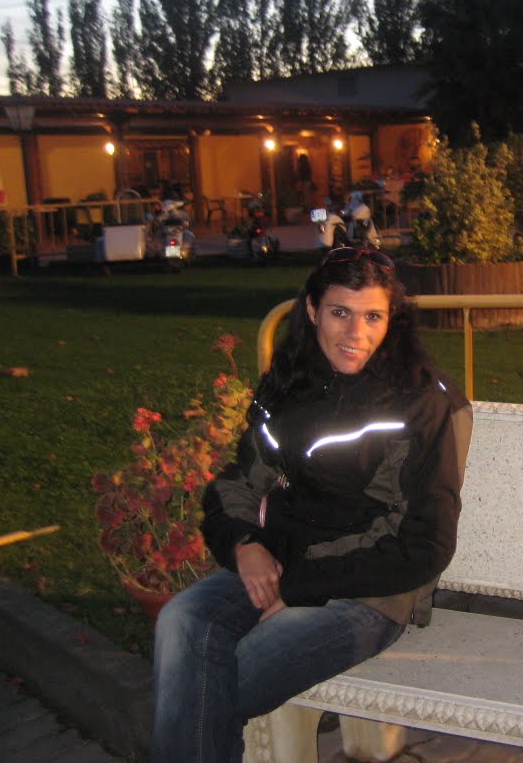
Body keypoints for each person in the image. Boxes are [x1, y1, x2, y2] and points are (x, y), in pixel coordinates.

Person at [151, 246, 472, 763]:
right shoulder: (289, 384)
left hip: (369, 594)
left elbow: (426, 544)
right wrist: (243, 543)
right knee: (182, 621)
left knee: (209, 686)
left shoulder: (422, 399)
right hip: (278, 563)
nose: (356, 333)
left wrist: (298, 587)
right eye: (340, 312)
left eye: (373, 317)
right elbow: (239, 481)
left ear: (392, 318)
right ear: (311, 310)